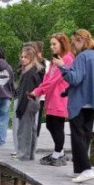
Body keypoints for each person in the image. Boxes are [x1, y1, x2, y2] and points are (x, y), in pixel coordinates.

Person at [56, 29, 94, 183]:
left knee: (77, 137)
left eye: (74, 42)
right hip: (91, 101)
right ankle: (79, 169)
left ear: (80, 40)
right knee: (85, 136)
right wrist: (67, 91)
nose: (73, 46)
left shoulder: (82, 57)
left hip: (79, 103)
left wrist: (62, 66)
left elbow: (75, 79)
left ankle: (87, 169)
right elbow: (88, 79)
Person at [32, 33, 74, 165]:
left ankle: (57, 153)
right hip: (51, 97)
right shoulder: (55, 59)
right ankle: (60, 152)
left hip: (60, 97)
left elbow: (55, 79)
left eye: (54, 44)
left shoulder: (67, 58)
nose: (51, 46)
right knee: (50, 124)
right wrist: (39, 89)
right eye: (51, 44)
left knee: (57, 125)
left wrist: (37, 91)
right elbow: (47, 78)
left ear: (62, 44)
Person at [15, 45, 44, 160]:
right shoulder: (35, 70)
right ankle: (30, 154)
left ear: (31, 58)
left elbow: (25, 92)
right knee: (31, 128)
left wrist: (20, 109)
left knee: (24, 130)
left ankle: (23, 155)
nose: (22, 59)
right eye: (22, 57)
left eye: (25, 57)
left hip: (28, 102)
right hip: (34, 102)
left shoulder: (29, 73)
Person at [0, 48, 15, 147]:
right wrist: (12, 94)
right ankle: (1, 141)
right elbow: (12, 83)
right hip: (6, 96)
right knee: (3, 119)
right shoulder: (9, 68)